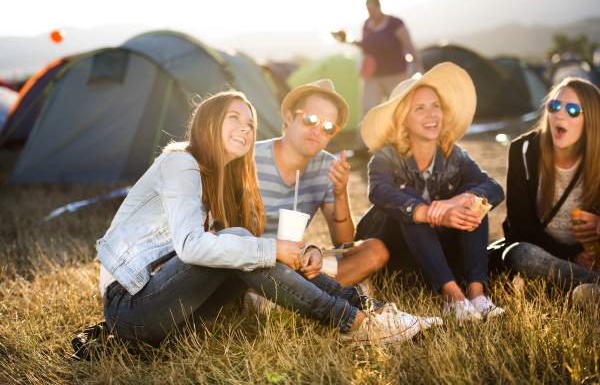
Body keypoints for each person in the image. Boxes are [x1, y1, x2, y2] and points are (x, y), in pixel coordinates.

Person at [97, 90, 440, 347]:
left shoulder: (218, 176)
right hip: (130, 309)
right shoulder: (180, 163)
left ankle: (372, 311)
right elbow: (191, 247)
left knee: (243, 245)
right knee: (242, 242)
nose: (245, 129)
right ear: (209, 121)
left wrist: (299, 249)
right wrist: (273, 247)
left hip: (179, 314)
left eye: (250, 124)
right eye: (235, 118)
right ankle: (356, 322)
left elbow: (235, 248)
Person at [357, 63, 506, 322]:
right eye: (420, 108)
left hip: (445, 258)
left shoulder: (455, 155)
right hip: (400, 262)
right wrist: (430, 213)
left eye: (435, 106)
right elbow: (378, 192)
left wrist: (462, 199)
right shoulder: (386, 157)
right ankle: (453, 298)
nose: (431, 114)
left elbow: (493, 188)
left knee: (475, 197)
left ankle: (476, 294)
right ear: (404, 118)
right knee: (411, 198)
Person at [246, 79, 390, 313]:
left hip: (297, 263)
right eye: (310, 119)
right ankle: (316, 294)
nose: (317, 130)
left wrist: (340, 192)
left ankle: (281, 299)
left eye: (328, 127)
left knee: (375, 250)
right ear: (290, 118)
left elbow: (342, 241)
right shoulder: (249, 159)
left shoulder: (328, 166)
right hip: (253, 259)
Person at [502, 77, 600, 294]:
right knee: (517, 254)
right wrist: (573, 255)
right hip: (548, 259)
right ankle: (590, 287)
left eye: (573, 110)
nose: (560, 114)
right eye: (554, 106)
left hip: (593, 260)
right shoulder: (524, 151)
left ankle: (588, 291)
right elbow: (521, 228)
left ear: (591, 118)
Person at [337, 0, 423, 149]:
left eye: (372, 9)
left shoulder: (395, 23)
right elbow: (366, 46)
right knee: (368, 110)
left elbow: (409, 45)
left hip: (396, 74)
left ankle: (406, 143)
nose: (370, 13)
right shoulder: (367, 25)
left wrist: (418, 67)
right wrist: (348, 40)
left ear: (379, 7)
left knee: (399, 109)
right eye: (368, 10)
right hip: (373, 75)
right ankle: (365, 147)